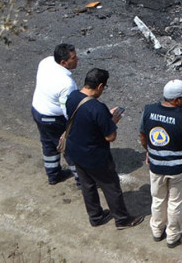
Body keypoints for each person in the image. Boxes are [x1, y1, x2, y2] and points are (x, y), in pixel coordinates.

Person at [64, 68, 144, 229]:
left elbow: (83, 120)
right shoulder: (97, 108)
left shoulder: (72, 97)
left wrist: (104, 118)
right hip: (95, 156)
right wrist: (112, 121)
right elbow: (110, 137)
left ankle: (96, 216)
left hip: (75, 151)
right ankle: (122, 219)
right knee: (111, 186)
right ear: (100, 86)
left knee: (87, 186)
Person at [138, 80, 182, 248]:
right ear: (176, 100)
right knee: (175, 203)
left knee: (158, 199)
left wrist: (149, 151)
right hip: (178, 170)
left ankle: (156, 230)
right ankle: (173, 236)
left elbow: (142, 134)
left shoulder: (148, 110)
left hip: (155, 167)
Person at [30, 43, 79, 185]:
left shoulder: (45, 62)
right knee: (69, 148)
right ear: (63, 62)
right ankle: (81, 179)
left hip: (38, 110)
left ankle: (53, 174)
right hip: (53, 119)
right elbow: (67, 110)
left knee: (48, 144)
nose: (77, 60)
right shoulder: (66, 84)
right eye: (74, 58)